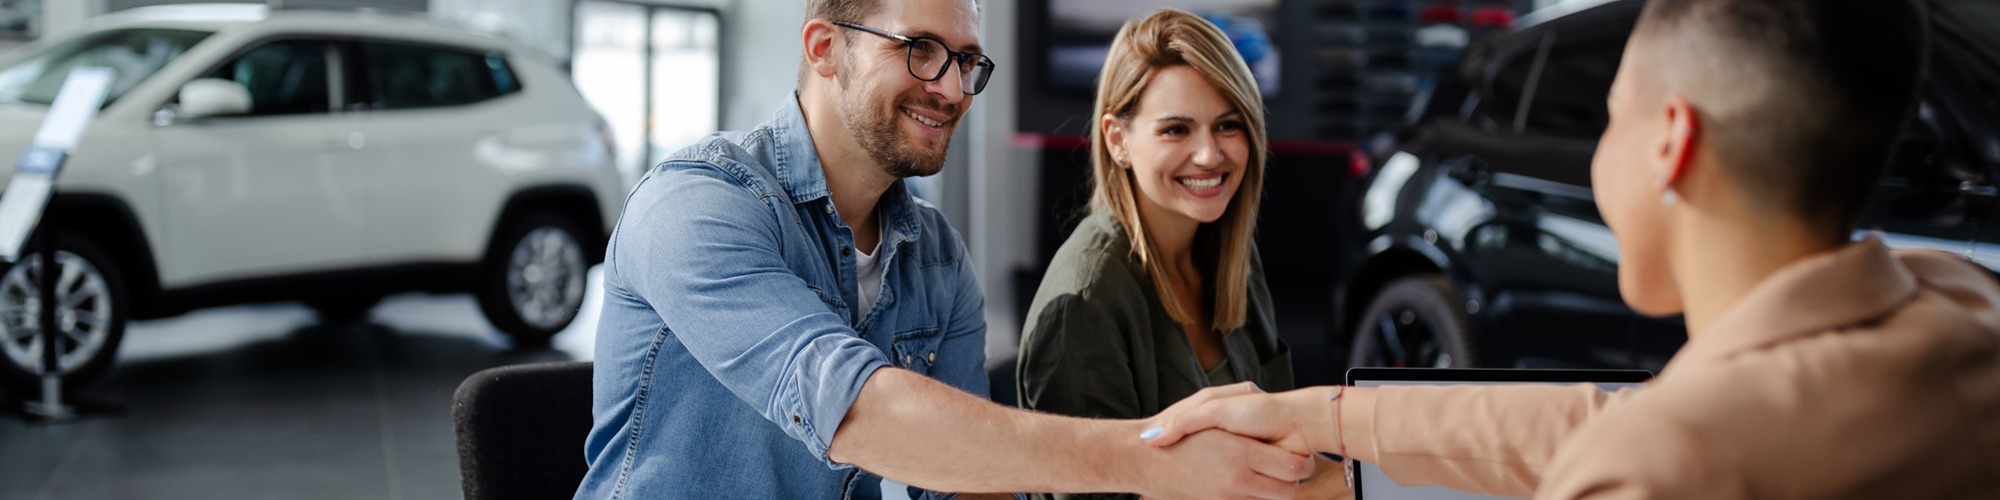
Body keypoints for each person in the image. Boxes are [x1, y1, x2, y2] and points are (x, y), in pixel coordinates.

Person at [1143, 0, 2000, 498]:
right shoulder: (1962, 305)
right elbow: (1619, 418)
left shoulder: (1659, 471)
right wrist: (1323, 415)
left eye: (1609, 116)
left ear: (1671, 142)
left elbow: (1647, 442)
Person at [574, 0, 1313, 498]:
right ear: (825, 48)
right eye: (920, 50)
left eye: (966, 61)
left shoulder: (936, 255)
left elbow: (971, 486)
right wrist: (1155, 462)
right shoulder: (698, 205)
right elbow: (854, 409)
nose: (953, 88)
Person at [1013, 9, 1338, 498]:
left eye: (1228, 125)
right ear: (1117, 140)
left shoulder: (1230, 253)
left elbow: (1284, 448)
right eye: (1176, 130)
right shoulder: (1084, 301)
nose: (1210, 155)